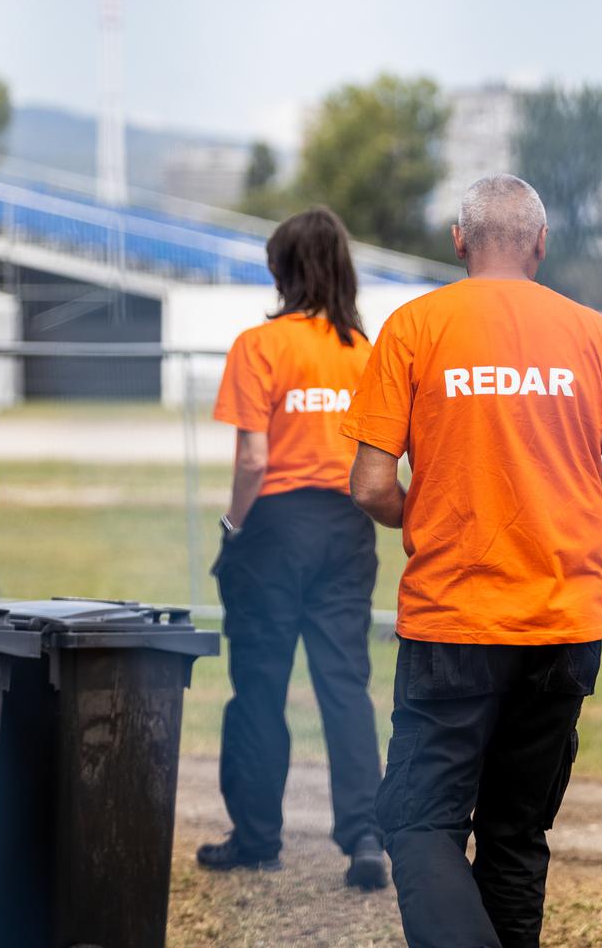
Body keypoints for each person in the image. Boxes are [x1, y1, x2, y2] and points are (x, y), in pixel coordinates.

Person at [341, 174, 602, 946]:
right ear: (540, 245)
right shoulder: (593, 334)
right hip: (562, 621)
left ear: (458, 242)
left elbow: (368, 483)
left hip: (453, 619)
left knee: (418, 819)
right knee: (515, 835)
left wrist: (422, 520)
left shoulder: (415, 326)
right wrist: (575, 536)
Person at [197, 206, 389, 892]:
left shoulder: (260, 344)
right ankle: (365, 834)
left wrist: (233, 527)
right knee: (344, 686)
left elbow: (253, 458)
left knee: (259, 687)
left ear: (282, 270)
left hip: (273, 527)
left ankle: (256, 839)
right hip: (347, 527)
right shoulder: (365, 353)